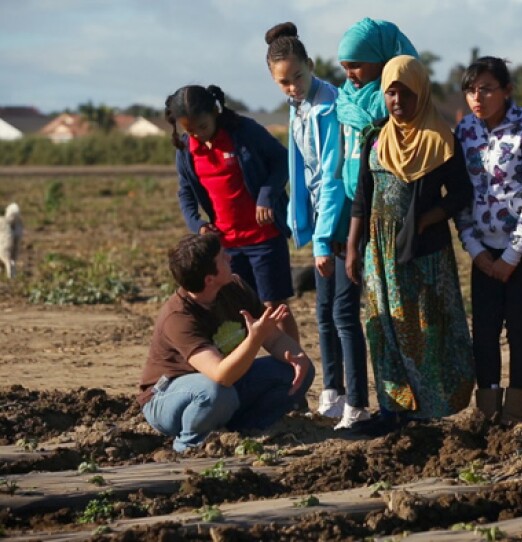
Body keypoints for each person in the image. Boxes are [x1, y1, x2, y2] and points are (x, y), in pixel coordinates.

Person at [345, 55, 474, 431]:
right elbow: (361, 199)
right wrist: (354, 248)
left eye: (405, 92)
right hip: (378, 254)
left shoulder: (439, 138)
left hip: (423, 253)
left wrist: (425, 220)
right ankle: (392, 409)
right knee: (384, 330)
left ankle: (431, 411)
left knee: (426, 330)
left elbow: (460, 193)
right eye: (391, 92)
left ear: (421, 92)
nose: (397, 100)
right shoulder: (375, 137)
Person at [265, 22, 369, 430]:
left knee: (344, 314)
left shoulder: (329, 105)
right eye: (283, 82)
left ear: (311, 65)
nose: (291, 87)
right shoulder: (300, 106)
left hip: (342, 227)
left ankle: (357, 405)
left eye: (297, 77)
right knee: (323, 313)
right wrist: (300, 224)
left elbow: (331, 175)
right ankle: (333, 395)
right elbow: (300, 171)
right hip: (324, 228)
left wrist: (324, 239)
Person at [138, 233, 314, 453]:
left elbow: (274, 337)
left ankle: (245, 430)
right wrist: (253, 339)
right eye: (222, 258)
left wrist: (295, 356)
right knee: (215, 392)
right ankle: (189, 445)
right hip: (167, 397)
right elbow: (222, 374)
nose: (229, 258)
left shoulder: (234, 286)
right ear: (209, 279)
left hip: (222, 386)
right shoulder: (178, 316)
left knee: (300, 370)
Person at [455, 56, 522, 425]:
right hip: (484, 248)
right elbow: (461, 195)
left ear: (506, 91)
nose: (477, 97)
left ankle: (515, 414)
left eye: (486, 88)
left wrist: (512, 255)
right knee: (483, 329)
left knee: (518, 326)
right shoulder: (465, 132)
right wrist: (477, 251)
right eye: (470, 89)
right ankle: (487, 411)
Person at [165, 84, 300, 343]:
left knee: (274, 308)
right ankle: (243, 375)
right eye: (190, 130)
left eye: (202, 127)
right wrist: (198, 225)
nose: (198, 135)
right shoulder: (186, 149)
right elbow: (185, 193)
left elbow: (282, 160)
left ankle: (296, 371)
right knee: (236, 312)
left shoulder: (245, 132)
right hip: (225, 248)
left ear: (215, 112)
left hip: (263, 237)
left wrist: (266, 197)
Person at [336, 18, 418, 203]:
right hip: (356, 203)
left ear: (381, 59)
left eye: (356, 65)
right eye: (345, 67)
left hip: (393, 203)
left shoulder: (401, 101)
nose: (349, 74)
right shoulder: (345, 100)